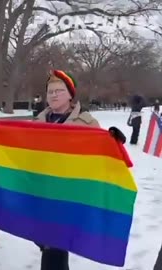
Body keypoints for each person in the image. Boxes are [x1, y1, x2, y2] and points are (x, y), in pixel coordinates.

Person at [35, 70, 126, 270]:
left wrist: (114, 142)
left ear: (70, 95)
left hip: (69, 194)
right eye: (50, 91)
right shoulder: (38, 122)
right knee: (46, 243)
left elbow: (103, 157)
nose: (53, 95)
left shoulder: (86, 123)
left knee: (55, 247)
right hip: (42, 192)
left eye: (59, 90)